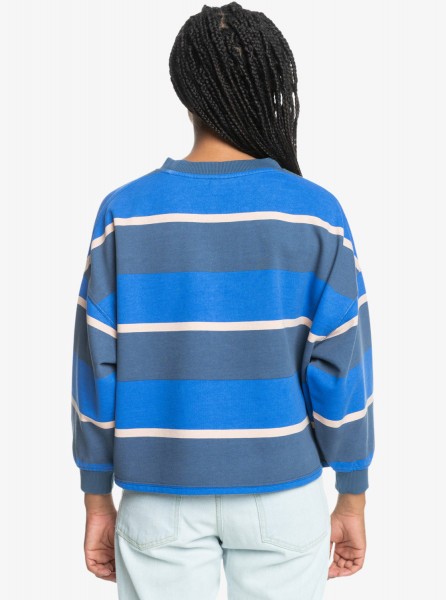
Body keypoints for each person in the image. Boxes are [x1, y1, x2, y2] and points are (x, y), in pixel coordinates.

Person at [71, 2, 375, 598]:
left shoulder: (124, 212)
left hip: (157, 492)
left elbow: (95, 367)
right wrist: (353, 492)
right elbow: (342, 366)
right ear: (274, 87)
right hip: (283, 491)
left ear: (185, 89)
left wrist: (97, 497)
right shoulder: (315, 212)